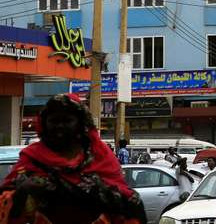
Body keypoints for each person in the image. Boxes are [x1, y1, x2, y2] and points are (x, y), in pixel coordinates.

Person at [0, 93, 146, 224]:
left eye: (67, 120)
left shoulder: (100, 154)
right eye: (53, 120)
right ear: (44, 124)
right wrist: (23, 190)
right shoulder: (32, 157)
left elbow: (126, 200)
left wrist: (96, 192)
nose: (59, 126)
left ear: (81, 124)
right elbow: (5, 200)